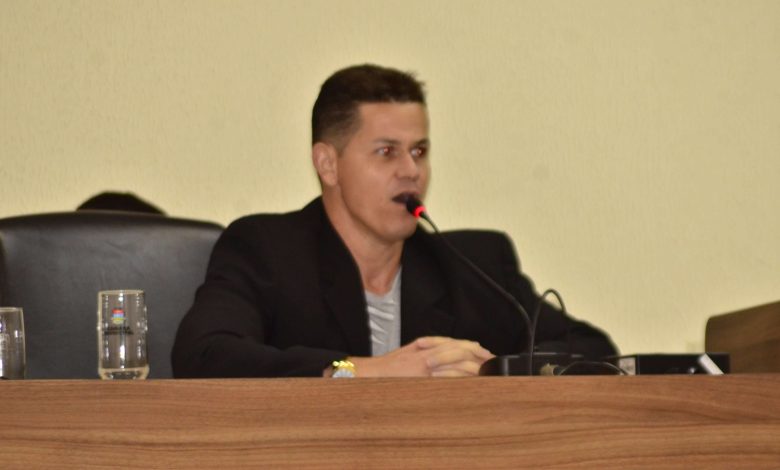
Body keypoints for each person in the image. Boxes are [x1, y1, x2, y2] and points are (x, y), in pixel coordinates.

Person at [172, 64, 616, 378]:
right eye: (387, 152)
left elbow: (595, 353)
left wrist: (494, 370)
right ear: (328, 164)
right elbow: (204, 355)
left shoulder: (472, 264)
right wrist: (362, 372)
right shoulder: (267, 250)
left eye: (419, 151)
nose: (411, 171)